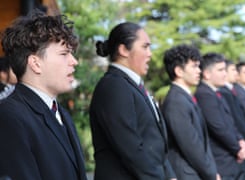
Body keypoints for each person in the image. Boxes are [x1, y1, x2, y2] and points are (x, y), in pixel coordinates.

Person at [0, 10, 87, 180]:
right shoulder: (9, 117)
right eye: (64, 54)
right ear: (35, 63)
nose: (74, 61)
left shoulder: (61, 113)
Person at [89, 22, 176, 180]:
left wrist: (169, 175)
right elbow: (131, 148)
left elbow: (155, 140)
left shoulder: (133, 86)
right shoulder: (113, 86)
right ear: (123, 50)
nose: (150, 54)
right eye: (145, 47)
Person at [161, 44, 220, 180]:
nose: (199, 71)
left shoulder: (184, 97)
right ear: (179, 71)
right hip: (187, 174)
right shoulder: (176, 101)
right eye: (194, 66)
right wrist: (211, 174)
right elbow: (191, 146)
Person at [194, 53, 245, 180]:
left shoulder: (217, 92)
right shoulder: (204, 94)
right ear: (206, 74)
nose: (225, 74)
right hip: (221, 160)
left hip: (230, 157)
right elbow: (217, 126)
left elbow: (230, 121)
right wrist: (237, 148)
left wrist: (241, 139)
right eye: (220, 70)